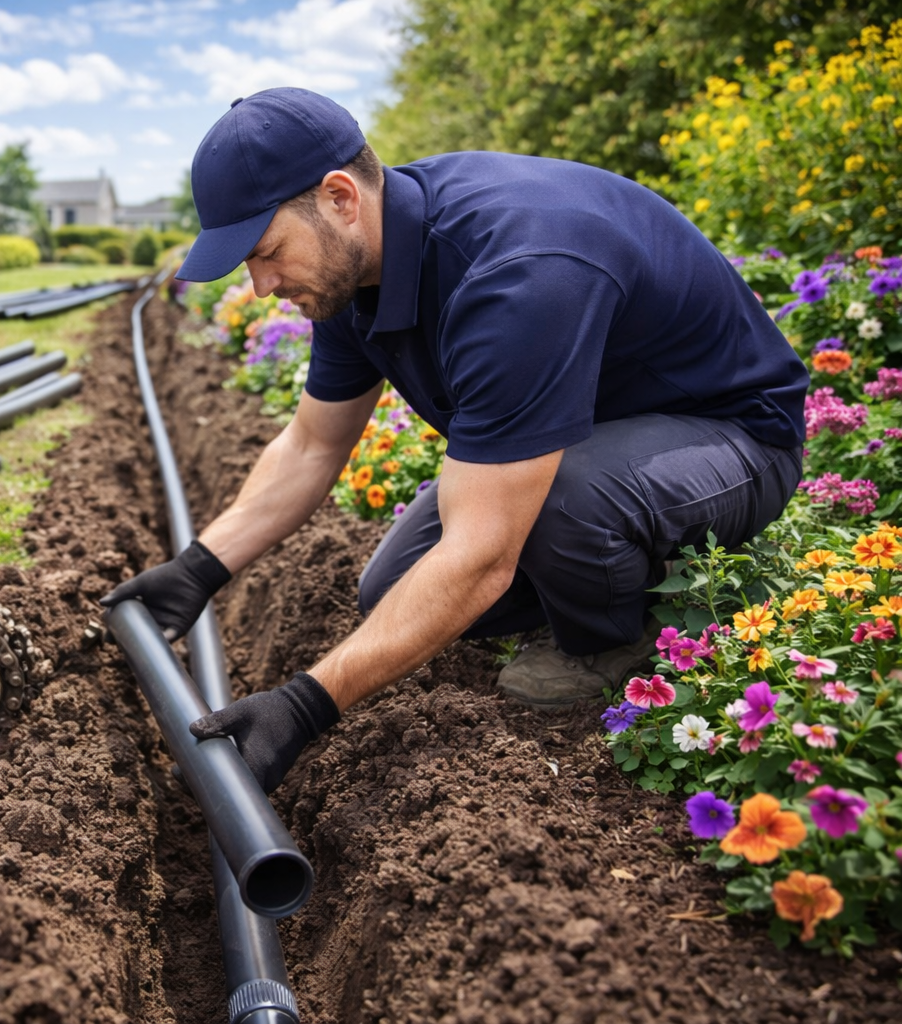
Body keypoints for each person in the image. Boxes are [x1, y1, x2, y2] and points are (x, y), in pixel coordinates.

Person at [100, 87, 807, 794]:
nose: (259, 286)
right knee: (391, 593)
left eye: (266, 252)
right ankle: (606, 563)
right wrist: (197, 571)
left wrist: (302, 705)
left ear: (341, 197)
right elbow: (313, 445)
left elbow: (481, 558)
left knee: (556, 506)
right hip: (594, 438)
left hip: (731, 441)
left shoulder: (516, 272)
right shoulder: (353, 273)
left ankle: (613, 639)